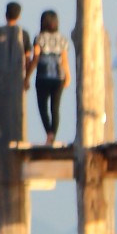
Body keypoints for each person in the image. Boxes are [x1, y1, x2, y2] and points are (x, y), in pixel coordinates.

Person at [32, 9, 68, 144]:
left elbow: (35, 58)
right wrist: (68, 76)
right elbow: (64, 60)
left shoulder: (39, 38)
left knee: (42, 107)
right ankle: (53, 134)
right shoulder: (62, 39)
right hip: (59, 77)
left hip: (42, 76)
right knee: (55, 108)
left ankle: (49, 133)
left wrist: (27, 76)